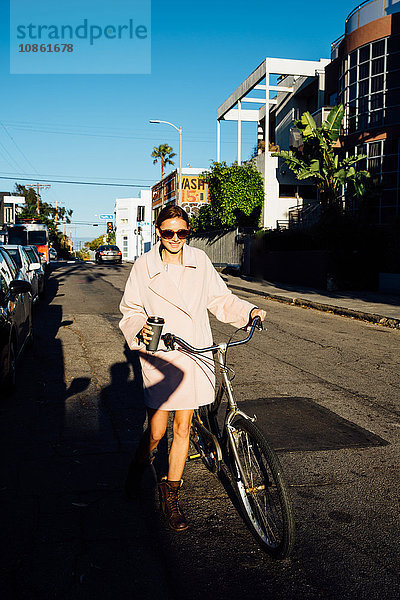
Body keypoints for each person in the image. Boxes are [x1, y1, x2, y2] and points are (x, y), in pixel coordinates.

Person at [119, 205, 266, 532]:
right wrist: (140, 328)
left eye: (182, 232)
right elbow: (129, 311)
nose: (175, 238)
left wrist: (249, 310)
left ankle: (171, 495)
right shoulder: (144, 267)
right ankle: (137, 466)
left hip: (194, 352)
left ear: (188, 233)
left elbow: (221, 300)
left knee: (183, 427)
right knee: (157, 431)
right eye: (168, 232)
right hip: (160, 355)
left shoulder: (199, 261)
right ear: (158, 231)